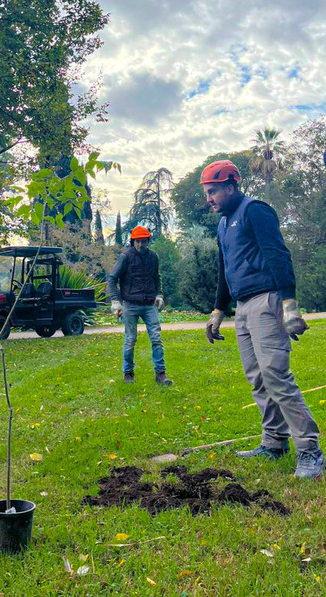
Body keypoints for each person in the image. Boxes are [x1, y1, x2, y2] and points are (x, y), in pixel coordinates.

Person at [201, 159, 323, 479]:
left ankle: (310, 450)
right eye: (207, 193)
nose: (209, 198)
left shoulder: (256, 211)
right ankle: (274, 443)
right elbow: (225, 272)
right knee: (257, 377)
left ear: (231, 187)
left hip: (266, 302)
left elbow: (277, 254)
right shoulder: (223, 224)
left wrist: (290, 304)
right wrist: (218, 311)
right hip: (241, 307)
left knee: (276, 377)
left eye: (213, 192)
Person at [107, 225, 172, 386]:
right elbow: (112, 279)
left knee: (156, 339)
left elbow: (157, 278)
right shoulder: (125, 257)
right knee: (130, 340)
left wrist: (159, 294)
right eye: (137, 242)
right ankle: (128, 373)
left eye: (143, 241)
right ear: (132, 242)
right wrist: (116, 301)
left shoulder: (153, 257)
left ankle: (161, 374)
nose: (140, 245)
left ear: (148, 241)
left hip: (149, 304)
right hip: (129, 304)